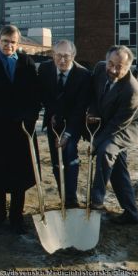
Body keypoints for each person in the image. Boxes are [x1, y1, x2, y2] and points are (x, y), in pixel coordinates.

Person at [0, 25, 40, 234]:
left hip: (21, 129)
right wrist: (4, 117)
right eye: (5, 41)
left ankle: (16, 217)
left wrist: (30, 115)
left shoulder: (27, 63)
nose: (8, 46)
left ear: (18, 43)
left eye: (12, 42)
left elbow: (34, 95)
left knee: (19, 175)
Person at [87, 45, 138, 224]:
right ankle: (131, 214)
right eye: (110, 63)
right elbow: (93, 94)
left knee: (106, 151)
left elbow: (116, 125)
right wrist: (93, 111)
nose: (112, 69)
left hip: (125, 127)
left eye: (119, 67)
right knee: (118, 170)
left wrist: (95, 143)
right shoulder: (99, 68)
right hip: (107, 121)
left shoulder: (132, 90)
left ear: (128, 67)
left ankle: (96, 200)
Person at [38, 39, 91, 207]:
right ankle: (64, 197)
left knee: (68, 153)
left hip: (73, 122)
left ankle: (71, 199)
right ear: (53, 55)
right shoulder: (45, 69)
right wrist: (53, 113)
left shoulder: (83, 75)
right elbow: (45, 95)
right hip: (54, 121)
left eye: (66, 56)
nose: (62, 60)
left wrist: (68, 133)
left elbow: (80, 107)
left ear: (73, 56)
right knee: (56, 160)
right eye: (58, 56)